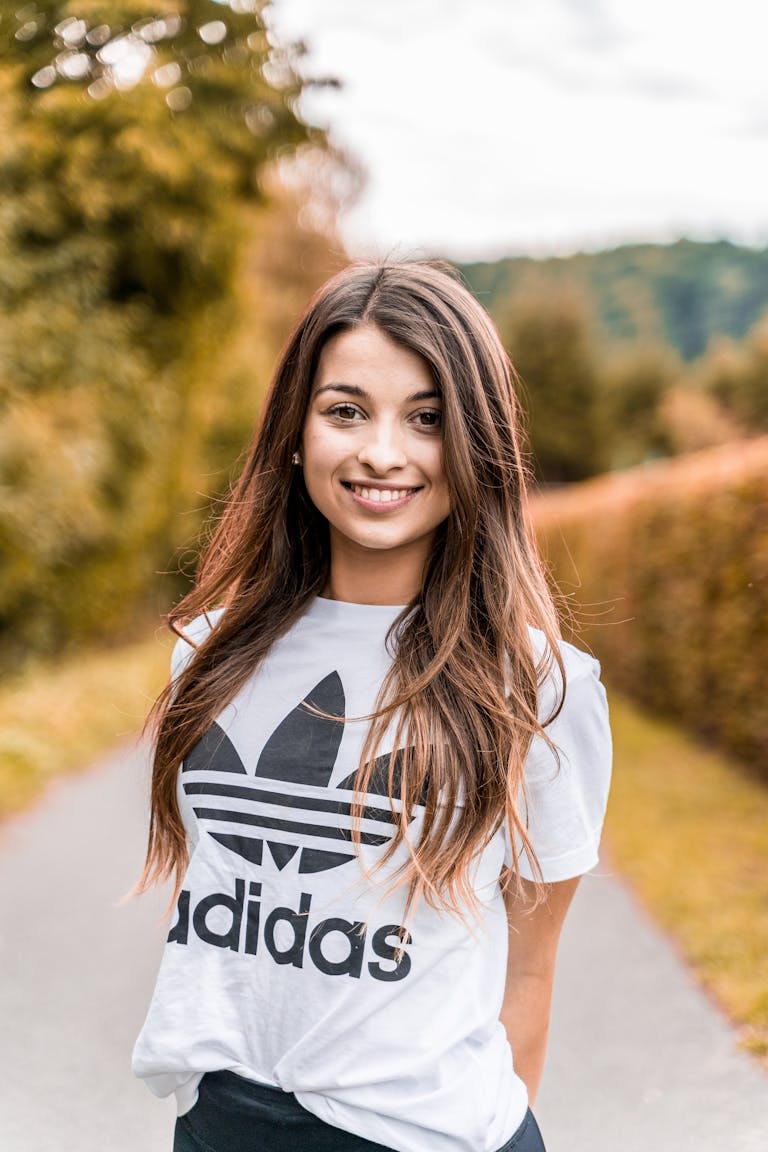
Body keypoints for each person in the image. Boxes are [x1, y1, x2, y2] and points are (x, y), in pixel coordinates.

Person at [131, 260, 612, 1152]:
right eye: (345, 410)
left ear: (475, 442)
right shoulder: (208, 651)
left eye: (426, 418)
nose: (382, 452)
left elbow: (530, 971)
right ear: (296, 431)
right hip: (222, 1125)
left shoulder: (540, 685)